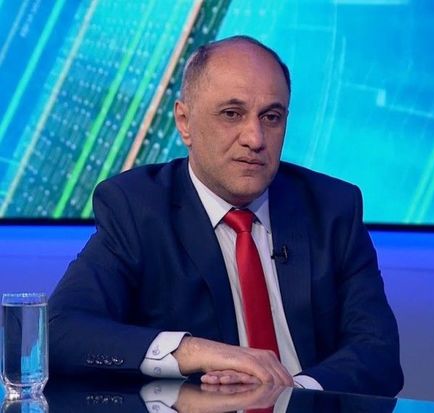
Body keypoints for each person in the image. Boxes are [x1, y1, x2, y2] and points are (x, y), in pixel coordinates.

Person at [48, 35, 403, 397]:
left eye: (271, 117)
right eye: (232, 114)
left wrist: (292, 394)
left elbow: (378, 353)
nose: (255, 138)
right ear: (184, 122)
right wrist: (193, 351)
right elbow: (60, 330)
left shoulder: (331, 209)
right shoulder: (137, 208)